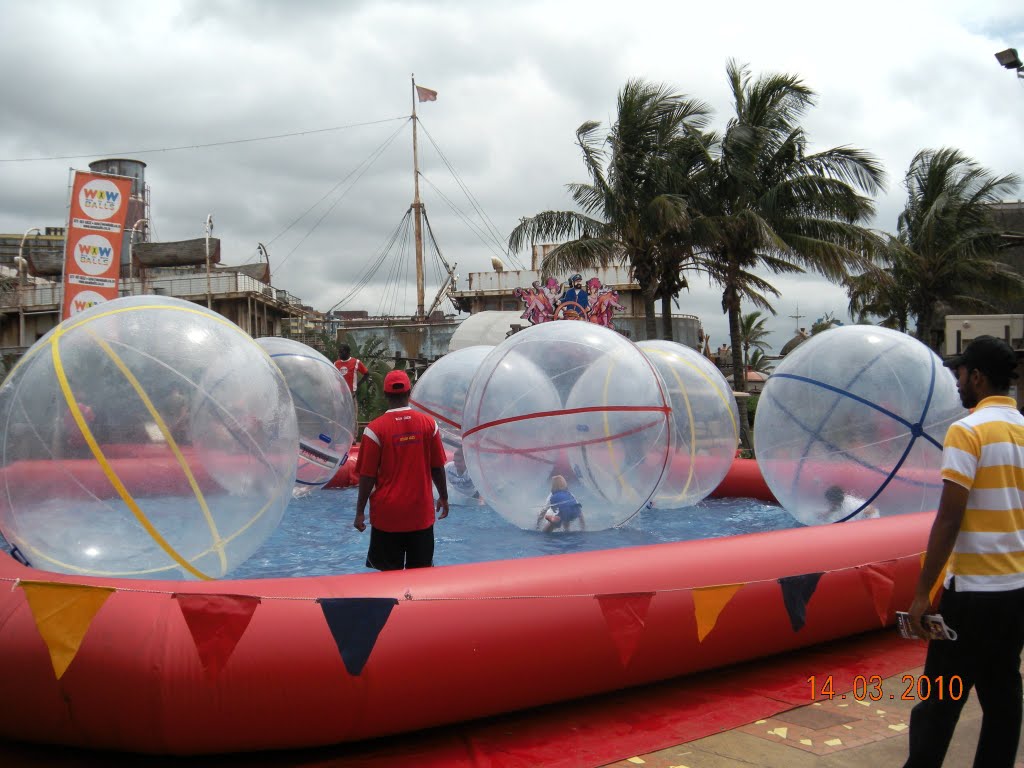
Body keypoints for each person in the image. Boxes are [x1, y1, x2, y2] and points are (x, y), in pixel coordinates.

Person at [903, 335, 1024, 768]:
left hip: (972, 594)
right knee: (1003, 699)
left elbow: (949, 518)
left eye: (961, 372)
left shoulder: (968, 430)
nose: (957, 380)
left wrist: (921, 594)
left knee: (940, 700)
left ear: (977, 376)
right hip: (1015, 593)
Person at [353, 370, 449, 570]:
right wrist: (443, 497)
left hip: (387, 519)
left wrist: (360, 512)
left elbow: (367, 476)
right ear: (409, 392)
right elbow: (437, 467)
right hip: (420, 516)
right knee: (421, 580)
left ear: (385, 394)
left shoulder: (374, 430)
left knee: (387, 580)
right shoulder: (428, 425)